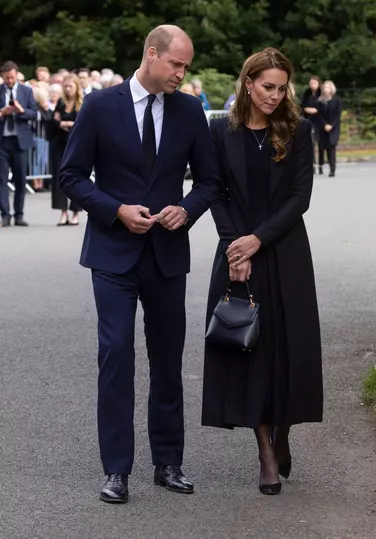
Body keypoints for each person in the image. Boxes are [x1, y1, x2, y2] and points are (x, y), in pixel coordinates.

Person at [59, 25, 221, 504]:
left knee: (168, 362)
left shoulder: (191, 110)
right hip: (112, 254)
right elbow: (70, 175)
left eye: (186, 66)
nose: (182, 74)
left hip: (168, 254)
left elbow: (210, 183)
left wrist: (186, 209)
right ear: (152, 54)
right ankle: (116, 470)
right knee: (115, 357)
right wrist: (114, 209)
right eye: (176, 64)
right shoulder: (99, 106)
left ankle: (168, 462)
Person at [202, 47, 323, 496]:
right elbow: (214, 191)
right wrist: (237, 248)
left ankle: (284, 430)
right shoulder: (220, 131)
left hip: (285, 251)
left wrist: (259, 239)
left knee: (288, 349)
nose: (274, 95)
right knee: (250, 351)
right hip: (237, 253)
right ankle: (265, 453)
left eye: (280, 88)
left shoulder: (298, 129)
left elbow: (299, 198)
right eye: (266, 86)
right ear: (248, 83)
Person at [0, 61, 38, 227]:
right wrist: (2, 112)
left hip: (20, 141)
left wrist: (21, 111)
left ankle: (19, 214)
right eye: (7, 78)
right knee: (1, 180)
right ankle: (5, 215)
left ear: (17, 75)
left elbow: (34, 113)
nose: (10, 80)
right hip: (3, 141)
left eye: (12, 77)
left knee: (20, 179)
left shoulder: (26, 91)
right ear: (2, 77)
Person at [50, 74, 84, 225]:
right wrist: (60, 124)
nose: (68, 89)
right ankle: (63, 212)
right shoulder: (61, 103)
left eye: (71, 86)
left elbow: (84, 123)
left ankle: (75, 212)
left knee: (76, 177)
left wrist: (69, 124)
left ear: (76, 87)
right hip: (60, 144)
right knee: (58, 177)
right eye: (65, 86)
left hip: (77, 145)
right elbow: (53, 121)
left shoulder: (82, 103)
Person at [316, 80, 341, 177]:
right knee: (324, 148)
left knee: (332, 148)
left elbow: (337, 115)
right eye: (325, 88)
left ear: (331, 89)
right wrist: (325, 125)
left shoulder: (337, 100)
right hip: (323, 128)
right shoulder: (320, 101)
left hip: (333, 128)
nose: (326, 90)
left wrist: (331, 125)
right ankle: (322, 166)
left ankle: (332, 169)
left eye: (328, 87)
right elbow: (319, 116)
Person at [301, 76, 321, 173]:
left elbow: (322, 107)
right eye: (311, 83)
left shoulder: (321, 93)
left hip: (319, 120)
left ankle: (320, 165)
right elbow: (303, 105)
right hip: (309, 120)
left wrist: (316, 110)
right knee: (310, 143)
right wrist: (306, 109)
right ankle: (312, 165)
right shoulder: (307, 93)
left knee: (320, 143)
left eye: (314, 83)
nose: (312, 85)